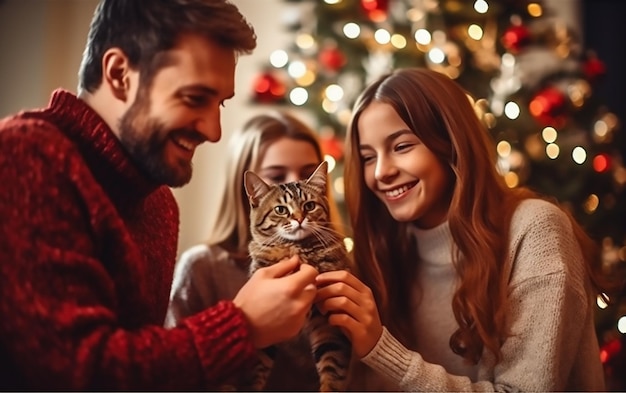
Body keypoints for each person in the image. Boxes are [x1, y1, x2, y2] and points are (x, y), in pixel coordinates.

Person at [0, 0, 319, 390]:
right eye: (194, 98)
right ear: (120, 74)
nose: (214, 130)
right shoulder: (26, 156)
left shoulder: (158, 203)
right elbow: (73, 371)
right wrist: (241, 326)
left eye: (220, 103)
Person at [315, 67, 612, 391]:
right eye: (368, 157)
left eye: (401, 147)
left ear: (450, 143)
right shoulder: (385, 253)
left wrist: (384, 351)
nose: (381, 172)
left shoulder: (536, 231)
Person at [165, 110, 346, 390]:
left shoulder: (340, 258)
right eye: (276, 176)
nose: (296, 192)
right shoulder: (202, 269)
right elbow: (171, 375)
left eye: (308, 175)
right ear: (252, 193)